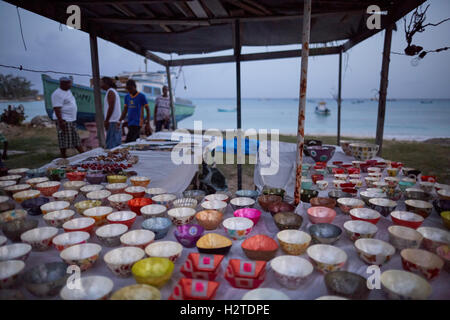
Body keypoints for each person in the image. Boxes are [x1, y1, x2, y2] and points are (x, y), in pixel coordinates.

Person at [51, 77, 84, 158]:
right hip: (64, 119)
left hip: (71, 119)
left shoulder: (67, 91)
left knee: (75, 138)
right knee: (64, 139)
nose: (70, 85)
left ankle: (83, 154)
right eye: (68, 83)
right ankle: (63, 156)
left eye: (70, 83)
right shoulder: (57, 94)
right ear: (62, 83)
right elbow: (56, 108)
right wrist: (61, 121)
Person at [101, 76, 122, 149]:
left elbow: (111, 107)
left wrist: (106, 120)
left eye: (101, 82)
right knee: (116, 144)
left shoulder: (110, 92)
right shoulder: (113, 91)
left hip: (112, 121)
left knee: (112, 145)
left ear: (106, 83)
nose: (100, 84)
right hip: (115, 121)